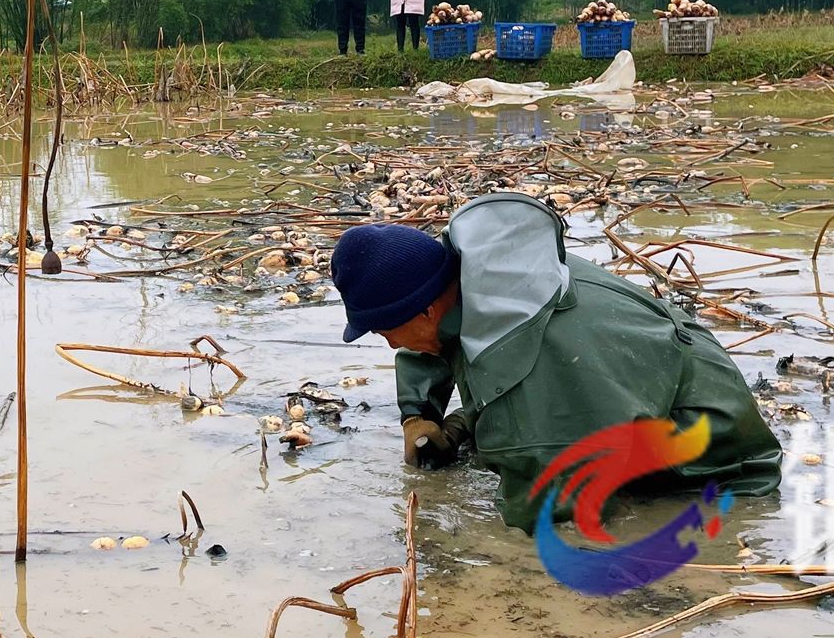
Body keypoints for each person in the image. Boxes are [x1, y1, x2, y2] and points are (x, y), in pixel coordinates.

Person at [330, 193, 782, 530]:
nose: (390, 346)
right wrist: (419, 413)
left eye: (387, 332)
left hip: (721, 452)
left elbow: (551, 513)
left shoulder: (534, 371)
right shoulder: (490, 272)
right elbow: (434, 338)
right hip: (670, 369)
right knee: (497, 426)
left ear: (426, 309)